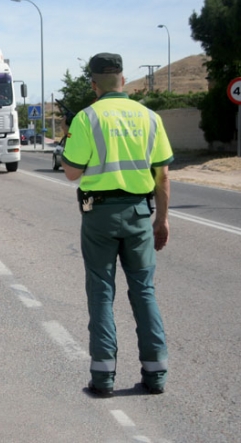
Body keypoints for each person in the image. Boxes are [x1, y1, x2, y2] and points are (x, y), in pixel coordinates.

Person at [61, 52, 174, 398]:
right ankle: (155, 376)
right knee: (144, 291)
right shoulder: (150, 117)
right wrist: (162, 220)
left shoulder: (86, 118)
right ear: (123, 81)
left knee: (101, 292)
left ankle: (103, 378)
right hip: (140, 214)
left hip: (99, 216)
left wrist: (68, 137)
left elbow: (71, 172)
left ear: (94, 85)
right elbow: (163, 175)